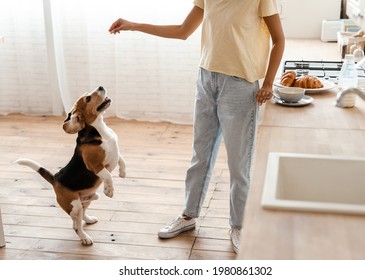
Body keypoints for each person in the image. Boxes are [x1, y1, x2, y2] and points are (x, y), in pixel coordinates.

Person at [109, 0, 285, 254]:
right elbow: (182, 31)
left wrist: (268, 82)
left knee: (239, 165)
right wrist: (134, 25)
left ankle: (240, 226)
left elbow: (279, 39)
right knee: (199, 156)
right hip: (206, 80)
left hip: (240, 86)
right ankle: (188, 215)